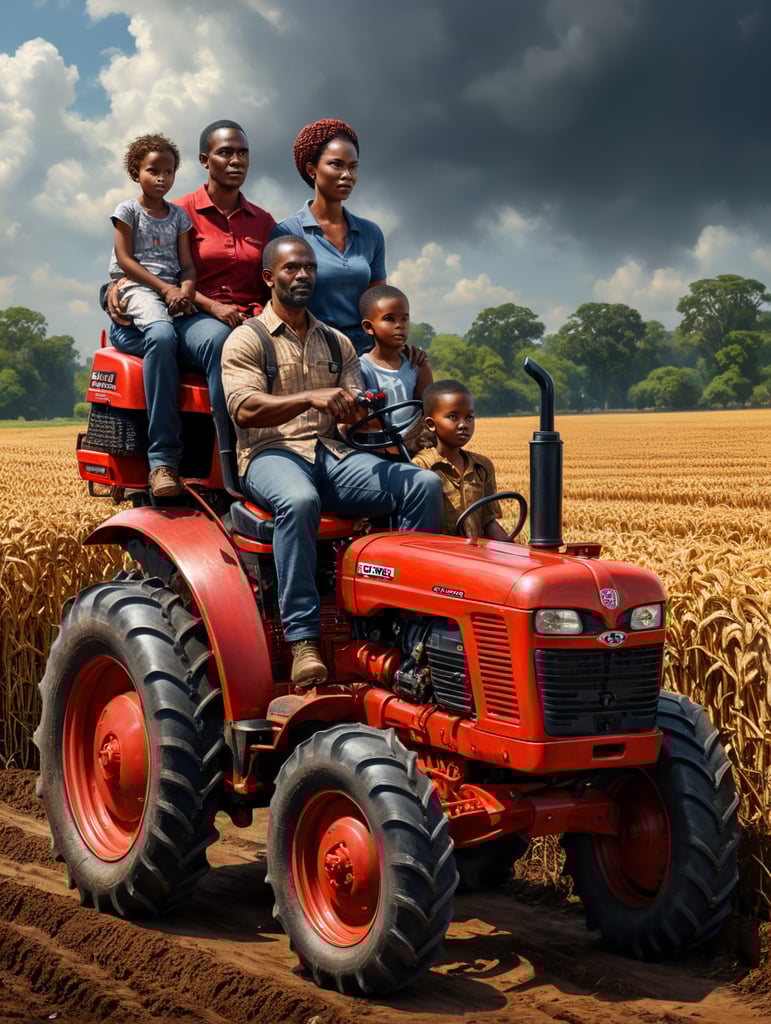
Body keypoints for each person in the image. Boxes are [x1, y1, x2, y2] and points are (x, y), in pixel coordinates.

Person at [221, 235, 442, 689]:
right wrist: (309, 397)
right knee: (300, 501)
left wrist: (356, 411)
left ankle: (406, 624)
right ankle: (303, 640)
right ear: (269, 278)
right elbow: (242, 409)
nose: (302, 276)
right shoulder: (247, 339)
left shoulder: (337, 342)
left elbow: (348, 423)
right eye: (290, 269)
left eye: (309, 268)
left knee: (422, 485)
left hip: (330, 453)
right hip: (268, 453)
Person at [106, 120, 275, 497]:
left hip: (249, 320)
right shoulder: (177, 212)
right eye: (225, 153)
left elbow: (281, 274)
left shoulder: (264, 222)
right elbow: (137, 265)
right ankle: (199, 463)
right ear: (204, 160)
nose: (236, 161)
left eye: (243, 153)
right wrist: (111, 290)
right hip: (191, 316)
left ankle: (276, 456)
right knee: (220, 342)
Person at [270, 118, 385, 355]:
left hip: (366, 350)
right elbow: (280, 306)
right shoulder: (287, 233)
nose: (347, 175)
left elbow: (378, 305)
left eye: (353, 167)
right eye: (336, 165)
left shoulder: (371, 233)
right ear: (312, 170)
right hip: (313, 348)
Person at [413, 381, 510, 541]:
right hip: (442, 557)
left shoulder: (482, 466)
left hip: (475, 558)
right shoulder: (421, 467)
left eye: (469, 417)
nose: (464, 425)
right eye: (453, 417)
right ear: (431, 424)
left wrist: (513, 550)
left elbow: (489, 522)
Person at [357, 285, 433, 454]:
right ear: (369, 327)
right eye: (390, 319)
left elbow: (429, 410)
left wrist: (412, 442)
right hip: (379, 448)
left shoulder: (418, 364)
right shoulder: (362, 368)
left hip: (417, 444)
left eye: (405, 319)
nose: (400, 325)